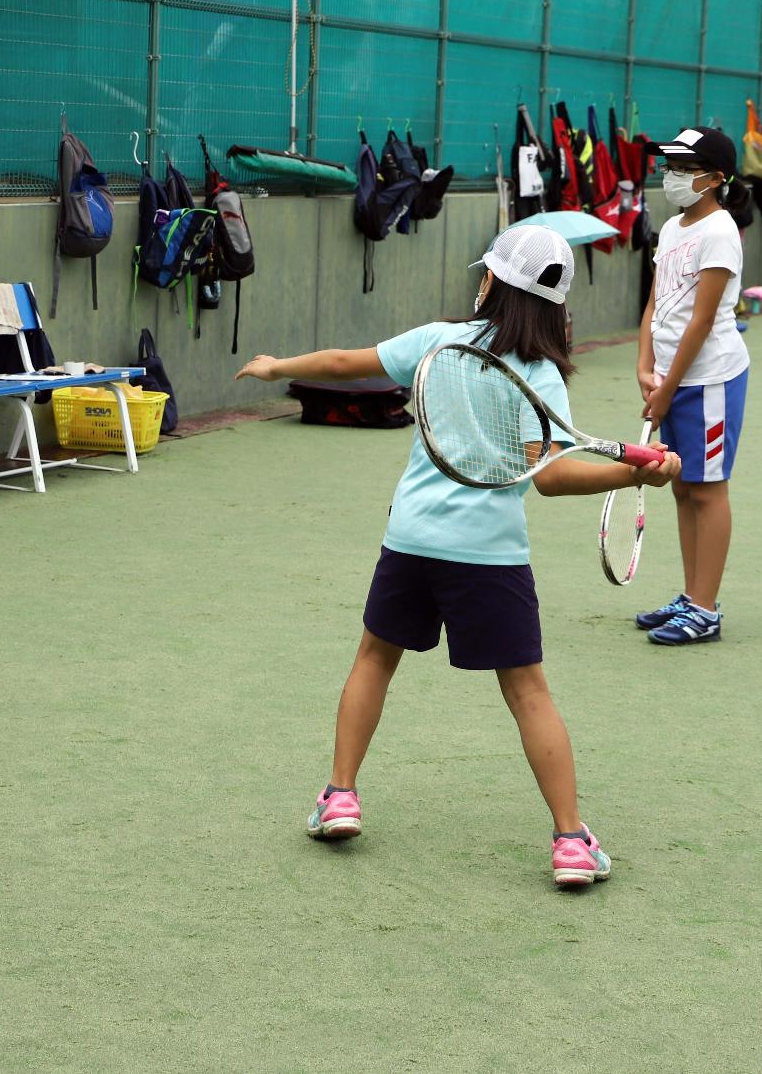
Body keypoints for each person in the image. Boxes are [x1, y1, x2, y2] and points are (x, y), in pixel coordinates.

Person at [235, 227, 680, 889]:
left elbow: (341, 365)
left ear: (494, 284)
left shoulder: (435, 341)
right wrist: (634, 477)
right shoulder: (541, 374)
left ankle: (340, 795)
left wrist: (276, 367)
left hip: (412, 541)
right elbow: (551, 478)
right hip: (489, 556)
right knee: (528, 691)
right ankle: (570, 841)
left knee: (373, 659)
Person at [631, 127, 750, 647]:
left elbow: (701, 322)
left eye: (684, 167)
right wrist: (644, 368)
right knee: (681, 486)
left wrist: (668, 385)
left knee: (708, 488)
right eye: (670, 165)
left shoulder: (721, 231)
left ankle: (705, 607)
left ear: (716, 178)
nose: (672, 175)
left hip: (710, 380)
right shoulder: (674, 228)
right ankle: (690, 596)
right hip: (671, 379)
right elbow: (655, 303)